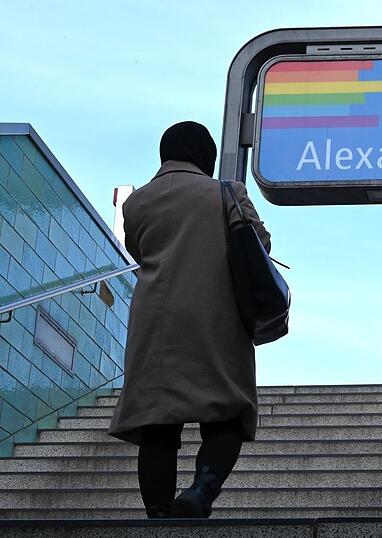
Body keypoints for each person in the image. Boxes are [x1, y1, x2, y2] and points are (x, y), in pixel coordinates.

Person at [108, 121, 271, 519]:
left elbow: (137, 247)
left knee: (158, 424)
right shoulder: (225, 194)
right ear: (206, 156)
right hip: (215, 318)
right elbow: (259, 245)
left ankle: (158, 512)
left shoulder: (137, 204)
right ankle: (202, 489)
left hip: (155, 323)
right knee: (227, 414)